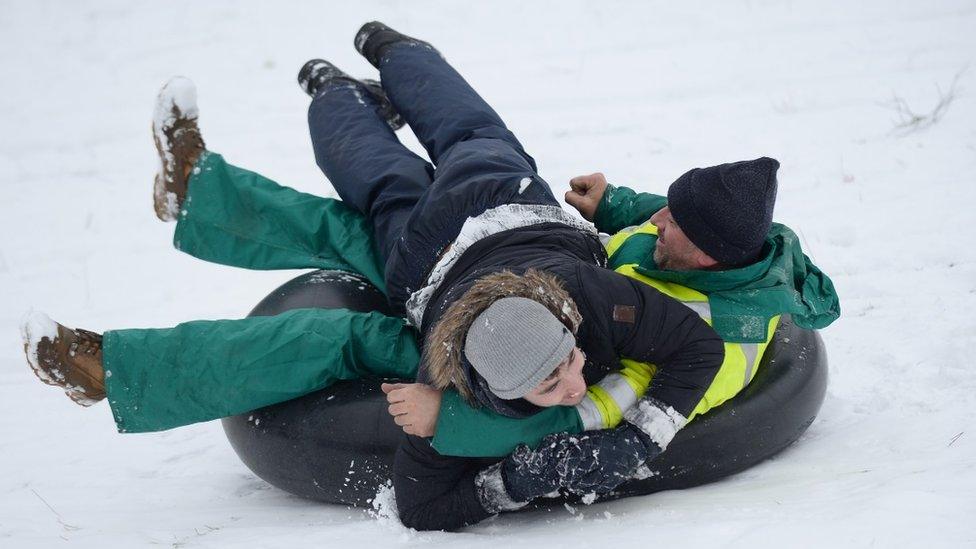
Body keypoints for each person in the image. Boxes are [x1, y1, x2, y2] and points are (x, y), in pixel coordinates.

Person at [21, 22, 729, 531]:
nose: (579, 383)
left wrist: (547, 459)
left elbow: (424, 505)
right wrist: (624, 443)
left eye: (565, 368)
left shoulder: (458, 380)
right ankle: (366, 72)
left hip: (432, 259)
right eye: (562, 377)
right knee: (449, 146)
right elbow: (697, 347)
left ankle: (352, 80)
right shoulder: (589, 310)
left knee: (413, 175)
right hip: (481, 226)